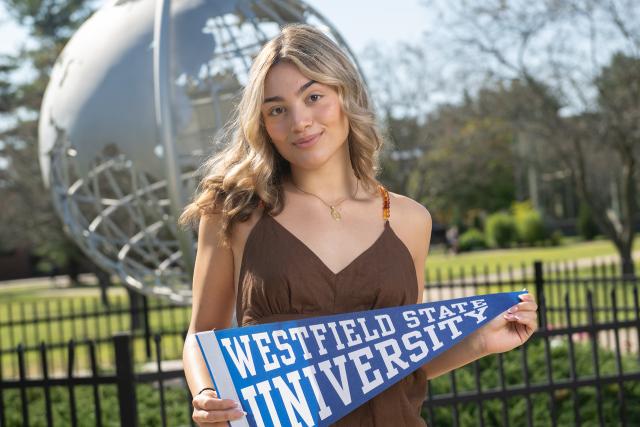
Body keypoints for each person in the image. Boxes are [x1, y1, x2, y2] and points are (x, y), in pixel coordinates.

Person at [179, 23, 538, 427]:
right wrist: (206, 394)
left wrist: (479, 341)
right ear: (262, 123)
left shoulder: (408, 220)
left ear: (346, 96)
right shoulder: (236, 211)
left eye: (314, 97)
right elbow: (201, 334)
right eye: (277, 109)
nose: (300, 121)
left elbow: (397, 360)